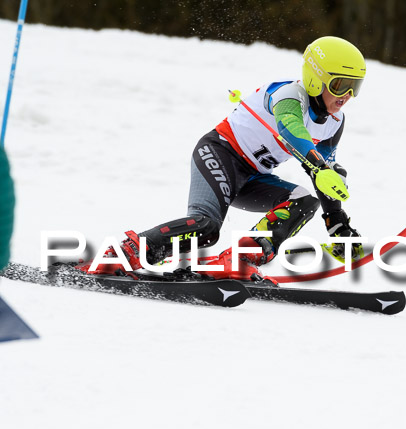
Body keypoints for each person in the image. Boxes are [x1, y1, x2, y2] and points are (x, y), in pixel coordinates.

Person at [79, 36, 366, 281]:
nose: (347, 95)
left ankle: (240, 259)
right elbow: (290, 128)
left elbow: (324, 174)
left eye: (356, 86)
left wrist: (337, 221)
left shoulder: (334, 122)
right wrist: (319, 166)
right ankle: (126, 253)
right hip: (220, 154)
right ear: (316, 78)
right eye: (340, 85)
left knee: (305, 200)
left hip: (253, 177)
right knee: (206, 227)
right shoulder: (289, 94)